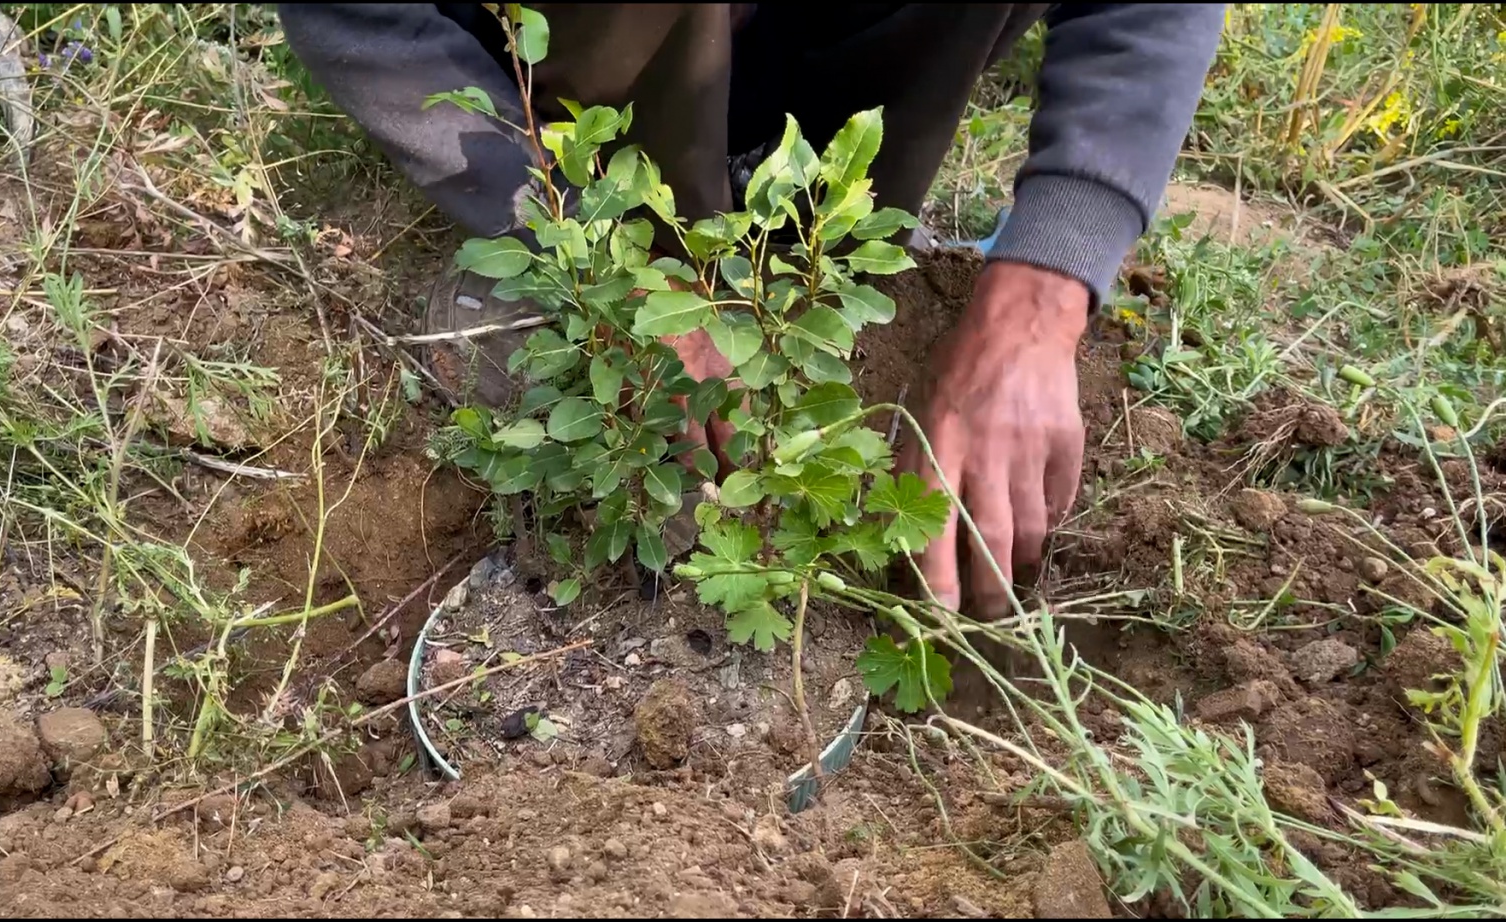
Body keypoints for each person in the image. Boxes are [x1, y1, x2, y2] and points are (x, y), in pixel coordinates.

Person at [277, 3, 1225, 619]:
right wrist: (582, 240)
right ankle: (601, 194)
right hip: (565, 63)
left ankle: (796, 201)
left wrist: (1044, 290)